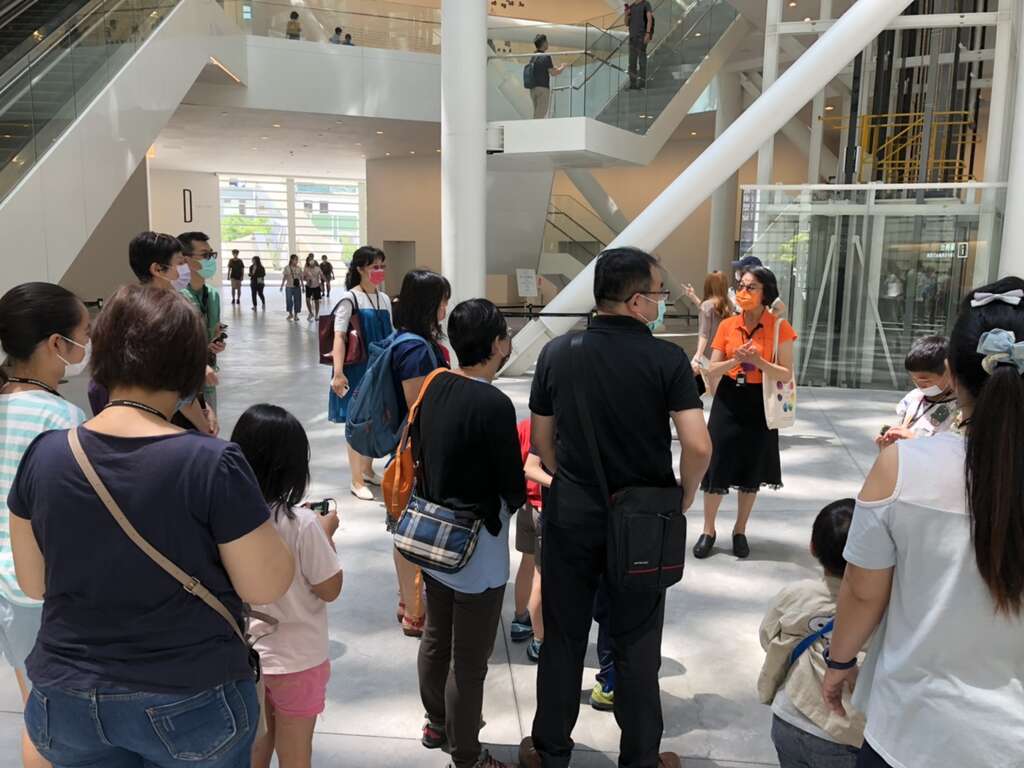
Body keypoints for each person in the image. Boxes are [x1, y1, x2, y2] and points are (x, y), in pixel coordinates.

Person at [8, 284, 294, 767]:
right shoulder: (213, 463)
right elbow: (265, 584)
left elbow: (34, 584)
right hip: (190, 694)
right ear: (188, 366)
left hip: (68, 696)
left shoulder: (46, 454)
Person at [519, 247, 711, 768]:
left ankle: (550, 752)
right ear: (635, 301)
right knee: (638, 645)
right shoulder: (667, 360)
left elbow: (543, 442)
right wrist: (685, 492)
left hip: (572, 516)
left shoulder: (557, 353)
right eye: (659, 294)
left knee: (563, 638)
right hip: (644, 523)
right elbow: (698, 445)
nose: (662, 302)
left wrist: (575, 480)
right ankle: (641, 758)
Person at [822, 277, 1024, 768]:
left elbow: (863, 591)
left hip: (914, 726)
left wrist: (840, 660)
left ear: (950, 371)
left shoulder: (901, 467)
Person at [415, 299, 526, 768]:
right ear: (497, 344)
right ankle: (466, 755)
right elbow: (511, 484)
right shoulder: (494, 404)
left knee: (436, 637)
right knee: (469, 660)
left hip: (434, 535)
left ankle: (436, 722)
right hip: (478, 546)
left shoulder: (435, 383)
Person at [0, 283, 90, 768]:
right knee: (51, 723)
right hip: (40, 589)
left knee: (35, 705)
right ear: (58, 343)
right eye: (84, 335)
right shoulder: (61, 417)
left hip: (7, 589)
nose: (86, 346)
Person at [234, 405, 343, 768]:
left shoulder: (226, 519)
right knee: (296, 754)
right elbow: (330, 588)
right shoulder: (305, 525)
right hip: (299, 661)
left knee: (253, 750)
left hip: (244, 658)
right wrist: (326, 535)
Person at [695, 266, 797, 560]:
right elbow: (712, 368)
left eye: (751, 287)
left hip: (760, 400)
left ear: (766, 292)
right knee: (717, 462)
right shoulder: (728, 325)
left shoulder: (779, 327)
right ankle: (708, 530)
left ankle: (740, 530)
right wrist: (735, 361)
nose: (743, 292)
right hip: (728, 399)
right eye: (741, 286)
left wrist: (759, 362)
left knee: (752, 465)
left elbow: (786, 372)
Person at [758, 499, 864, 768]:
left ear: (812, 546)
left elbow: (767, 636)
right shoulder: (882, 609)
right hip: (843, 734)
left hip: (788, 715)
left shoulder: (796, 594)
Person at [88, 232, 214, 435]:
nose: (185, 268)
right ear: (157, 269)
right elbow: (169, 380)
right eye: (180, 263)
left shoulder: (122, 302)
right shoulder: (168, 313)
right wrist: (204, 426)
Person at [388, 269, 452, 637]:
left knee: (408, 527)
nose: (445, 308)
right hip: (414, 452)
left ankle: (407, 600)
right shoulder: (413, 349)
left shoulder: (412, 340)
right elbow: (417, 407)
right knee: (409, 530)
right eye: (442, 301)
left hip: (415, 449)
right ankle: (413, 610)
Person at [329, 246, 394, 501]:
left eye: (382, 266)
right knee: (355, 422)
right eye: (374, 267)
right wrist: (338, 373)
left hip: (379, 369)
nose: (380, 271)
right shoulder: (350, 299)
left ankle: (367, 470)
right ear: (360, 269)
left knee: (375, 419)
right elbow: (339, 337)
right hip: (356, 370)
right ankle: (356, 480)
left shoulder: (384, 299)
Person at [511, 418, 551, 656]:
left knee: (526, 564)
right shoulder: (556, 427)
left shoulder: (525, 425)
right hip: (545, 508)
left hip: (526, 507)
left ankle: (519, 619)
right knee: (541, 576)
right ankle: (539, 638)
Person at [875, 335, 957, 449]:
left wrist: (914, 440)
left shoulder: (960, 409)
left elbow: (953, 449)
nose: (919, 384)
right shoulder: (914, 397)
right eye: (913, 379)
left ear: (949, 372)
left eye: (925, 380)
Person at [179, 231, 225, 412]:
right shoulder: (176, 297)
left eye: (212, 254)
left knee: (210, 424)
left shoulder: (212, 294)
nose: (210, 260)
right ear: (186, 259)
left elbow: (214, 330)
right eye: (205, 255)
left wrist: (216, 343)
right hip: (184, 384)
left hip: (208, 379)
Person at [683, 271, 733, 395]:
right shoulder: (729, 304)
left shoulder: (707, 305)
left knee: (714, 389)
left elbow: (704, 333)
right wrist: (693, 297)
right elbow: (708, 310)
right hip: (725, 351)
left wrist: (698, 355)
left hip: (710, 353)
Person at [528, 35, 566, 119]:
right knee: (540, 115)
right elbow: (554, 73)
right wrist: (563, 67)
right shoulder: (545, 57)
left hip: (533, 89)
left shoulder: (533, 56)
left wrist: (555, 67)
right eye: (547, 41)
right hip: (543, 89)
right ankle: (534, 127)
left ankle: (535, 126)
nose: (548, 43)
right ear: (544, 43)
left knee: (537, 113)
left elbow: (542, 68)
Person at [626, 1, 653, 90]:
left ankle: (642, 83)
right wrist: (626, 14)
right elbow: (626, 23)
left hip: (641, 36)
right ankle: (633, 84)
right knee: (632, 63)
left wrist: (648, 33)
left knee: (642, 61)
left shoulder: (646, 4)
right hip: (632, 38)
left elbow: (649, 19)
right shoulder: (632, 6)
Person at [281, 254, 304, 321]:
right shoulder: (287, 268)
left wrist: (303, 286)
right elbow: (284, 277)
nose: (296, 261)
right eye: (295, 260)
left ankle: (296, 315)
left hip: (297, 287)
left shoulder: (299, 268)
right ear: (291, 260)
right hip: (289, 287)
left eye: (297, 260)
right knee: (289, 300)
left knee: (297, 301)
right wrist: (282, 285)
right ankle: (290, 314)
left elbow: (301, 278)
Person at [303, 253, 324, 321]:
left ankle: (316, 315)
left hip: (316, 286)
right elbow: (303, 277)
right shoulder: (306, 267)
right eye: (310, 258)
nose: (311, 259)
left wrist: (322, 283)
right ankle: (311, 313)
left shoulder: (317, 265)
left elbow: (321, 275)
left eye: (312, 257)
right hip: (308, 286)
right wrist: (307, 280)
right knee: (307, 300)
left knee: (316, 301)